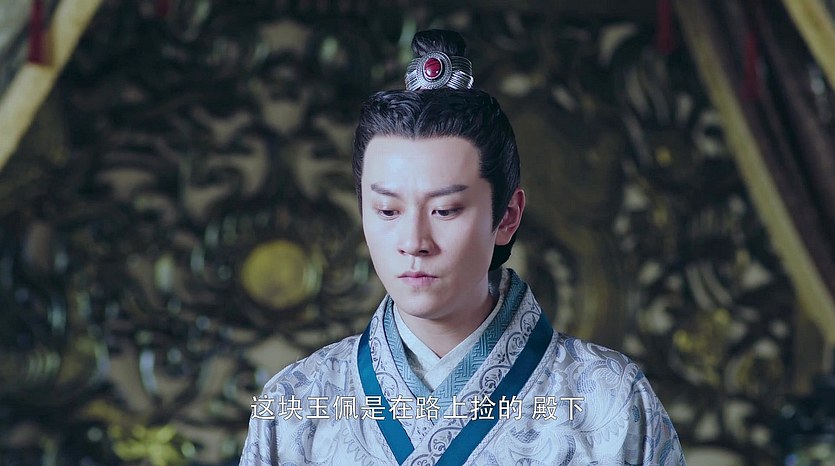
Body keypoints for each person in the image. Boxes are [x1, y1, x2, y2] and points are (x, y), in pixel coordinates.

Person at [240, 29, 686, 465]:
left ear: (507, 216)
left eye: (446, 210)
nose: (414, 242)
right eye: (388, 211)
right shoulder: (296, 404)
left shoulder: (609, 399)